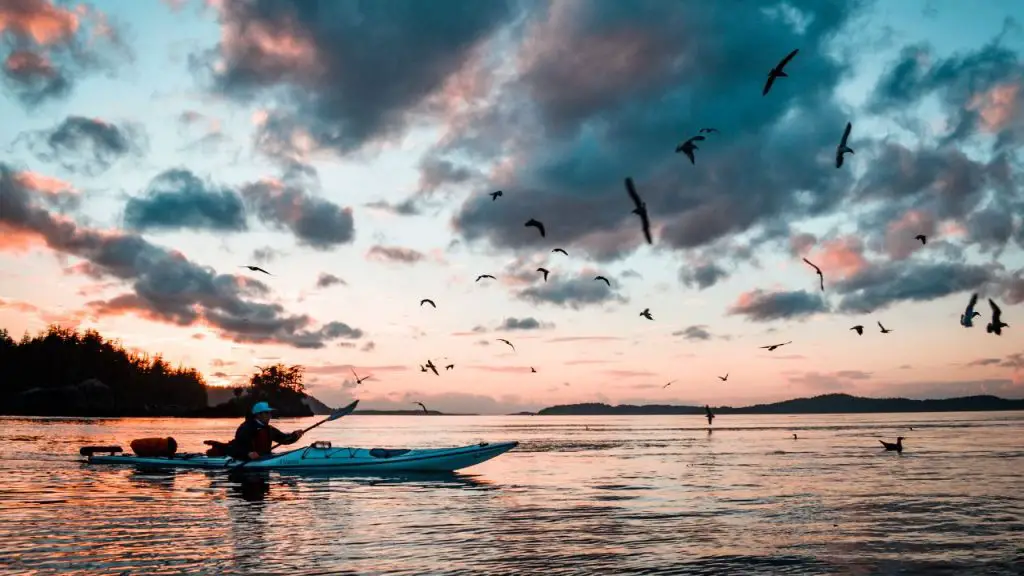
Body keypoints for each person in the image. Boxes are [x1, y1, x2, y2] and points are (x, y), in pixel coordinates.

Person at [228, 401, 304, 460]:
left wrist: (295, 435)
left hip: (264, 458)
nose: (270, 416)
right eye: (266, 413)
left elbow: (284, 439)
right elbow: (235, 447)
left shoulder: (269, 429)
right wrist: (248, 454)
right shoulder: (246, 428)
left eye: (270, 413)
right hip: (247, 460)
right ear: (258, 415)